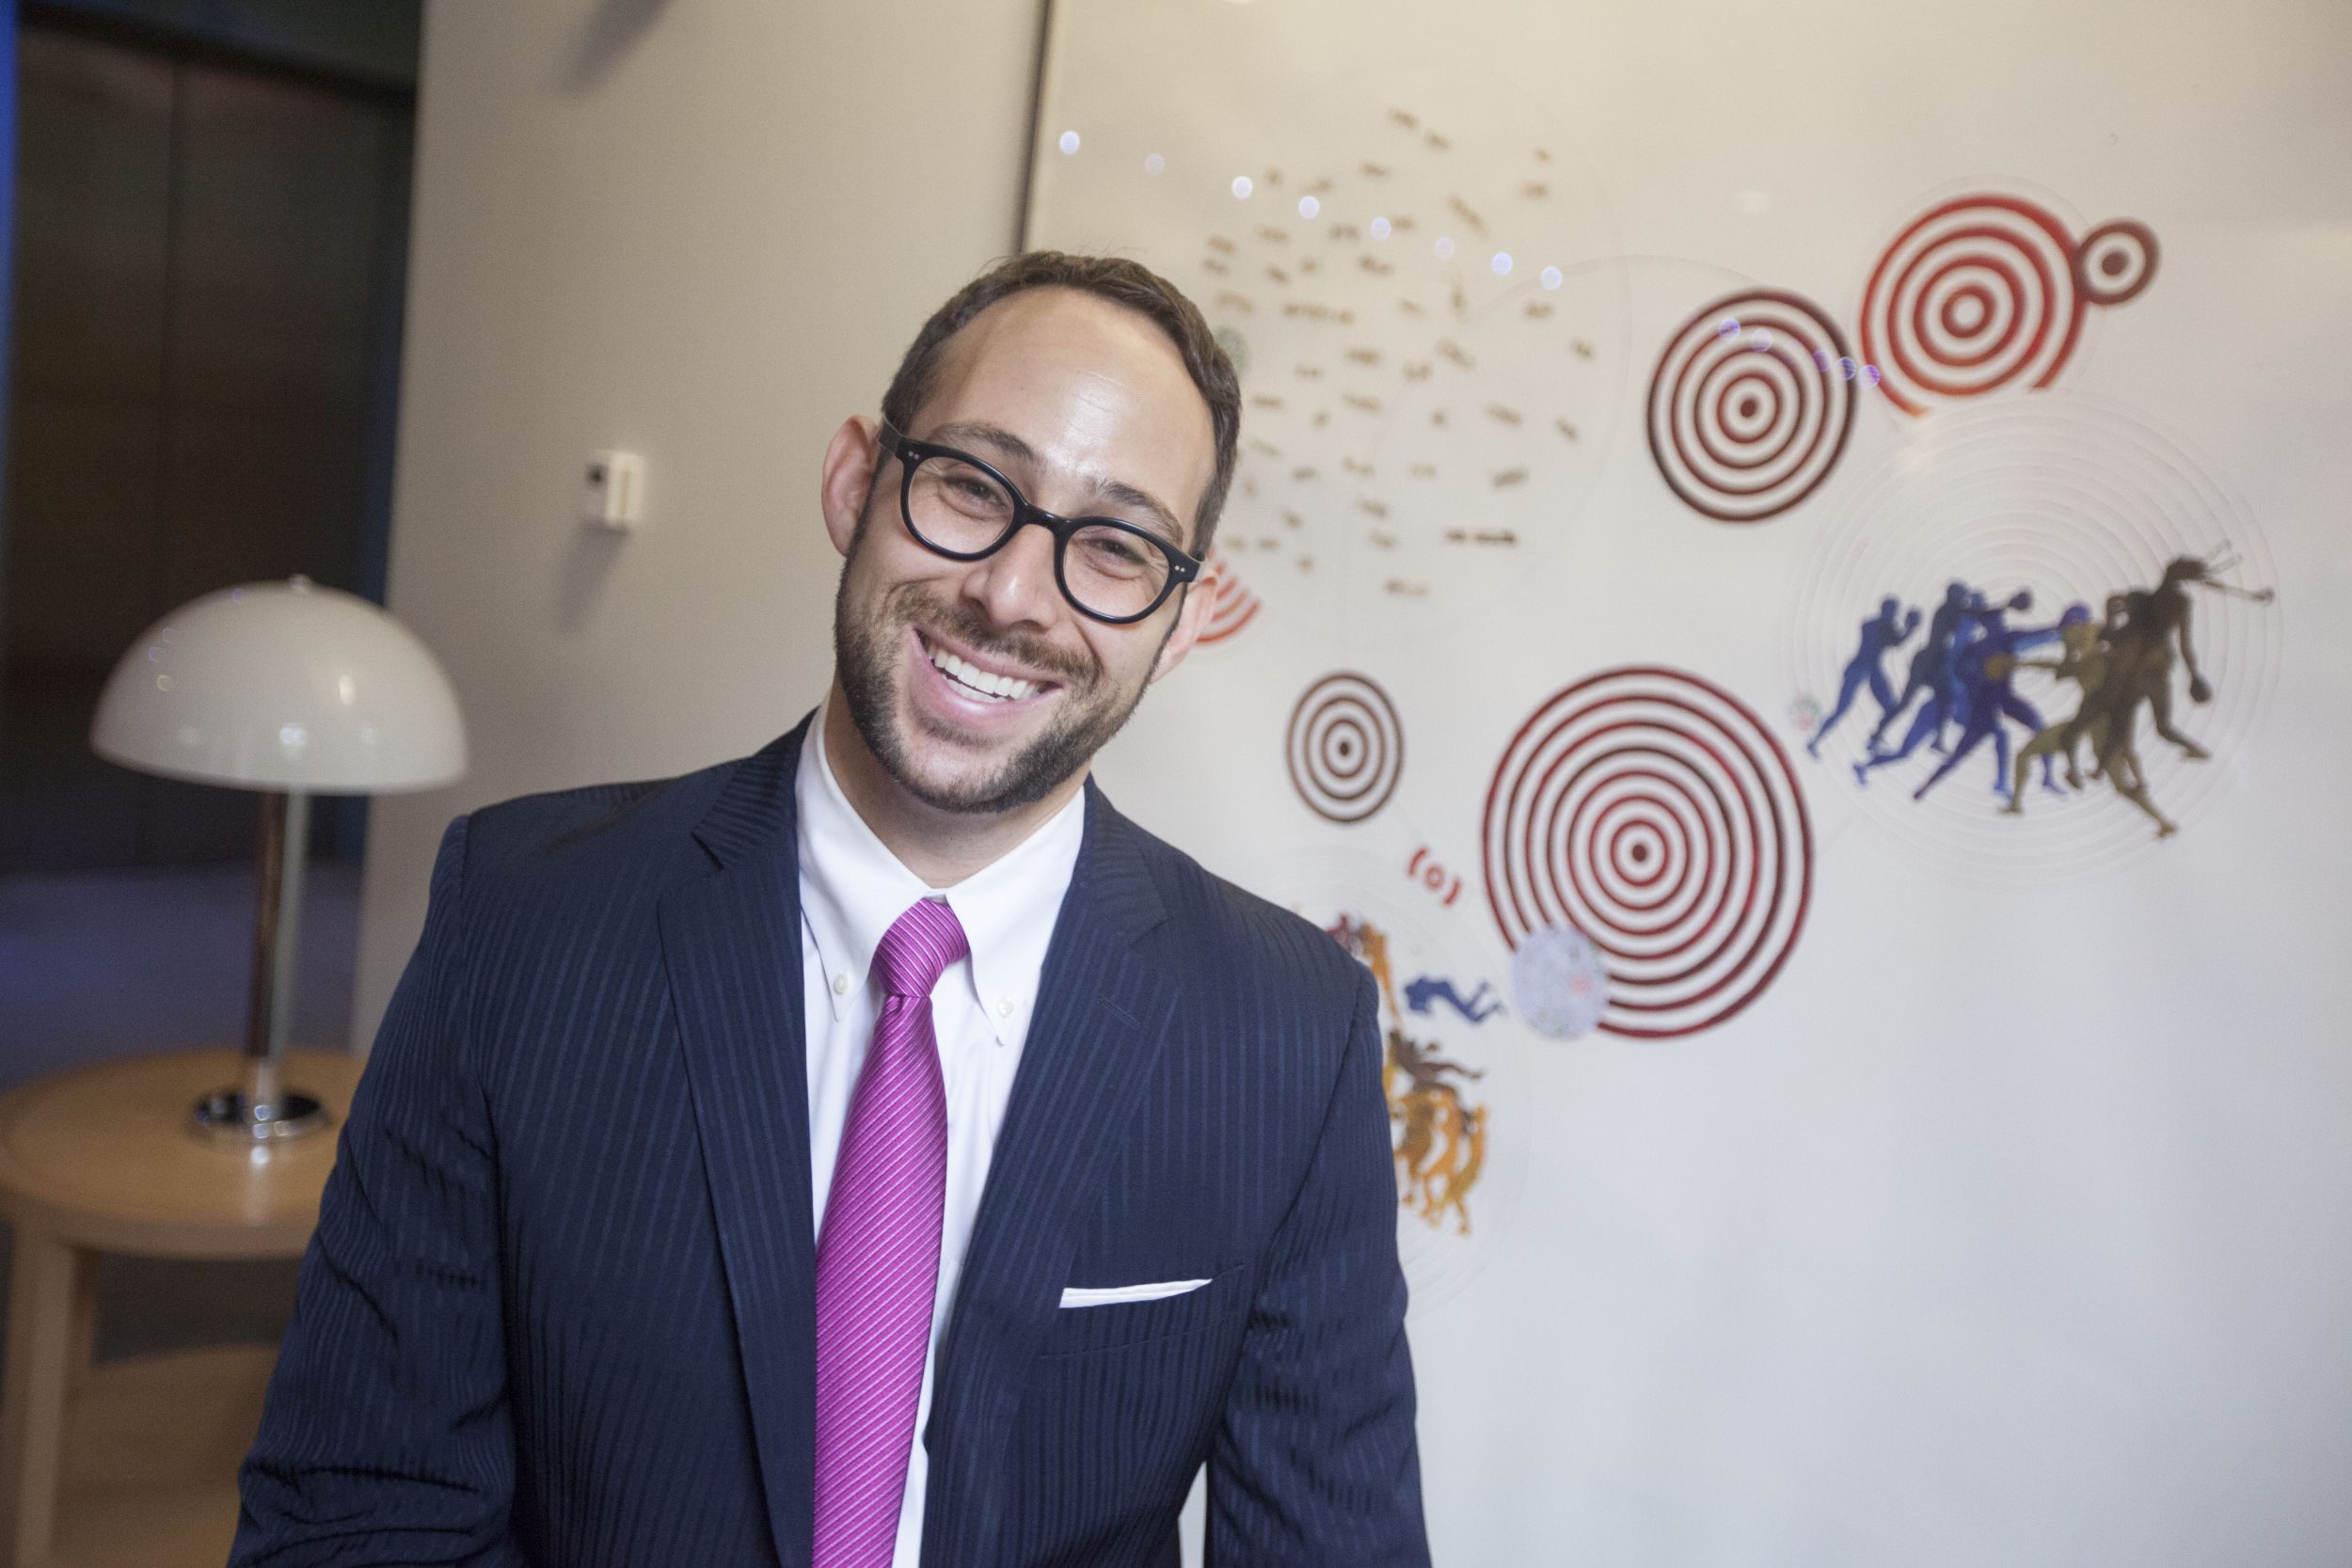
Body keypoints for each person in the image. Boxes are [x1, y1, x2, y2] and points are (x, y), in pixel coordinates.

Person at [231, 253, 1429, 1568]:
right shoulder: (516, 921)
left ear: (1181, 617)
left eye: (1117, 544)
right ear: (857, 481)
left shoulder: (1290, 1034)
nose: (1015, 595)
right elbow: (354, 1519)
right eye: (973, 485)